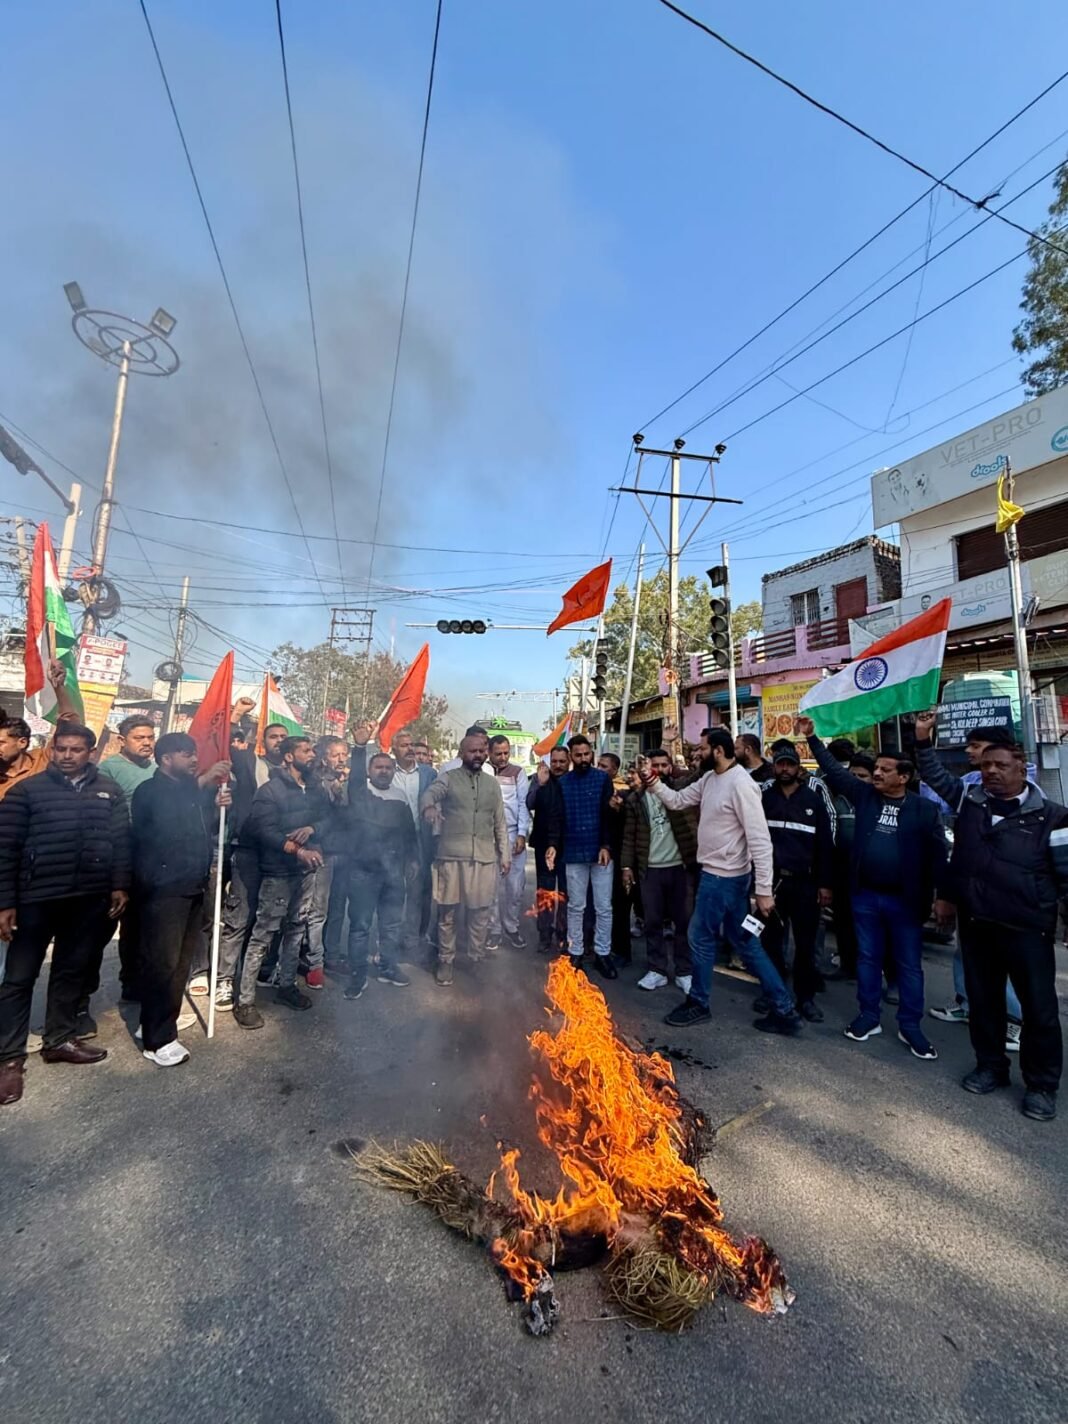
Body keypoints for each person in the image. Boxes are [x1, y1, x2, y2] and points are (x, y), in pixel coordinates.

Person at [913, 711, 1066, 1122]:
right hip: (978, 923)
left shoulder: (1053, 816)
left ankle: (1041, 1085)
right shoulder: (970, 803)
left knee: (1039, 1011)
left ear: (1021, 767)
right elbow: (936, 779)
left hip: (1028, 928)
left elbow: (1066, 874)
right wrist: (923, 740)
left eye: (1001, 766)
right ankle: (990, 1066)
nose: (992, 772)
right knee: (984, 1003)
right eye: (985, 766)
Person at [799, 717, 951, 1060]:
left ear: (904, 776)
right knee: (867, 959)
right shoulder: (864, 795)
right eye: (876, 768)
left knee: (909, 965)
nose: (877, 774)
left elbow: (938, 857)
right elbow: (835, 773)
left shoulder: (924, 811)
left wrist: (944, 897)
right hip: (865, 896)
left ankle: (910, 1026)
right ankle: (869, 1016)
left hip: (906, 901)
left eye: (885, 769)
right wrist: (812, 739)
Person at [0, 725, 130, 1106]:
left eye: (76, 749)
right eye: (61, 749)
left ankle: (58, 1040)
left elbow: (121, 840)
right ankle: (9, 1058)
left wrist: (119, 884)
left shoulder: (108, 790)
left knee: (70, 970)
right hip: (35, 899)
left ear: (91, 751)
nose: (68, 755)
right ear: (51, 750)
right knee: (19, 977)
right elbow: (5, 849)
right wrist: (5, 902)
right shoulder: (28, 791)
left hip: (87, 898)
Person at [641, 729, 802, 1035]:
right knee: (746, 943)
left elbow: (760, 840)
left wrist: (764, 891)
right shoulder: (711, 779)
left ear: (717, 750)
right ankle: (784, 1009)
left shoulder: (741, 784)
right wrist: (653, 783)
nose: (696, 753)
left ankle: (699, 1003)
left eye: (701, 749)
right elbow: (677, 801)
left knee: (699, 937)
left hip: (723, 880)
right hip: (718, 877)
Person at [130, 733, 230, 1067]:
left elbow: (201, 828)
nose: (192, 759)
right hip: (163, 889)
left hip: (192, 885)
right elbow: (168, 826)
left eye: (194, 753)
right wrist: (203, 785)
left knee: (181, 963)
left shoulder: (189, 792)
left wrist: (216, 806)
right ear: (165, 758)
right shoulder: (150, 791)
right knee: (163, 964)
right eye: (186, 754)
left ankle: (163, 1021)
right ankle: (157, 1039)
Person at [928, 723, 1024, 1043]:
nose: (969, 751)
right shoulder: (971, 793)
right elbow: (939, 780)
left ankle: (1015, 1020)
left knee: (1006, 959)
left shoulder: (1029, 801)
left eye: (976, 745)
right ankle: (967, 1003)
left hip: (1010, 901)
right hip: (973, 897)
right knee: (966, 952)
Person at [233, 736, 329, 1028]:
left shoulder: (315, 789)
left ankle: (286, 985)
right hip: (278, 872)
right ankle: (245, 1001)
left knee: (297, 928)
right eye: (305, 750)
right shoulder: (270, 790)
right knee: (264, 933)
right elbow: (265, 830)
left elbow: (332, 820)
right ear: (288, 757)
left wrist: (313, 828)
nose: (312, 755)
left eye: (312, 750)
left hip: (306, 872)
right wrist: (297, 850)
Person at [420, 733, 509, 986]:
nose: (478, 755)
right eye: (473, 751)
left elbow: (499, 823)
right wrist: (428, 807)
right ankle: (446, 961)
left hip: (483, 859)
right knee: (447, 913)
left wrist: (504, 855)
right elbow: (429, 794)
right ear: (462, 753)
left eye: (482, 751)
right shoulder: (448, 779)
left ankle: (475, 959)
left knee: (479, 913)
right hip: (451, 856)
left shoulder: (492, 785)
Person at [758, 738, 835, 1021]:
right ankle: (774, 994)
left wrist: (826, 884)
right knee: (771, 943)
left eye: (791, 764)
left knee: (805, 945)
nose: (786, 769)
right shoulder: (765, 799)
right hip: (773, 884)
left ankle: (806, 999)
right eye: (781, 764)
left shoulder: (813, 800)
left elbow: (825, 846)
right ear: (775, 768)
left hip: (806, 885)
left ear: (798, 768)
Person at [216, 721, 290, 1006]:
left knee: (271, 917)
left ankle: (261, 971)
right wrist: (237, 717)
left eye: (284, 737)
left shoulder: (294, 776)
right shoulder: (249, 763)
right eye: (273, 736)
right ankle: (224, 979)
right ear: (263, 740)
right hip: (248, 848)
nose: (279, 741)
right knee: (239, 915)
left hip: (279, 851)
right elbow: (230, 743)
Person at [340, 723, 416, 999]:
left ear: (394, 771)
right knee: (360, 926)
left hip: (393, 874)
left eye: (388, 767)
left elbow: (410, 834)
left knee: (391, 925)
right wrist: (360, 747)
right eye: (378, 767)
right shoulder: (361, 793)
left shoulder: (401, 798)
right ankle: (358, 975)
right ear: (371, 772)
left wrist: (413, 860)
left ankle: (388, 967)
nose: (383, 771)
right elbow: (355, 778)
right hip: (362, 873)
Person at [622, 748, 698, 994]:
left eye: (664, 765)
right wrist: (626, 867)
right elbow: (629, 837)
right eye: (655, 765)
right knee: (653, 923)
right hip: (650, 871)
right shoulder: (636, 799)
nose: (660, 770)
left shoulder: (680, 791)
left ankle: (684, 971)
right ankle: (657, 970)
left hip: (680, 868)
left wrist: (670, 742)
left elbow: (698, 774)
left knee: (683, 923)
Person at [558, 734, 616, 978]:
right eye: (578, 755)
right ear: (571, 756)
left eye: (586, 754)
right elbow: (558, 819)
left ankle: (603, 953)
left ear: (592, 753)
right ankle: (576, 951)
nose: (583, 759)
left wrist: (606, 845)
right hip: (573, 851)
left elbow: (608, 815)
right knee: (576, 906)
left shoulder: (603, 780)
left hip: (600, 852)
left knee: (603, 906)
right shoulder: (563, 783)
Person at [0, 662, 78, 802]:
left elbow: (70, 725)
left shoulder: (43, 761)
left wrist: (58, 687)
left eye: (1, 743)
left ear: (22, 742)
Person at [312, 735, 351, 974]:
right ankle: (313, 955)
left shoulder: (349, 782)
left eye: (343, 754)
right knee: (319, 908)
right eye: (334, 754)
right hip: (322, 851)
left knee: (338, 907)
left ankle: (332, 953)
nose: (339, 759)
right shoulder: (316, 781)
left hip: (345, 851)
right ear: (324, 757)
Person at [487, 734, 530, 951]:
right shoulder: (483, 771)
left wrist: (522, 834)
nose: (503, 757)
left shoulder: (518, 772)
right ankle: (494, 930)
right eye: (498, 753)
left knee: (514, 886)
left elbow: (524, 804)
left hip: (513, 834)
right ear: (489, 753)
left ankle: (511, 927)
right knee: (491, 886)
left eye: (506, 753)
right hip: (488, 836)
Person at [526, 747, 569, 952]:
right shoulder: (541, 779)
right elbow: (529, 803)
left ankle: (563, 933)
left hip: (568, 845)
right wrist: (540, 785)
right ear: (549, 762)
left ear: (568, 761)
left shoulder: (572, 780)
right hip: (544, 844)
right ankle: (544, 933)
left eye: (562, 761)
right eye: (555, 761)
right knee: (545, 891)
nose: (558, 765)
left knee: (566, 893)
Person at [599, 750, 634, 964]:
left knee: (620, 906)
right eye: (599, 765)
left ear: (615, 770)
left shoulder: (624, 795)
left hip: (622, 858)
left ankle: (622, 951)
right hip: (600, 858)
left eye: (605, 767)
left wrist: (616, 809)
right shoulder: (595, 790)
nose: (600, 770)